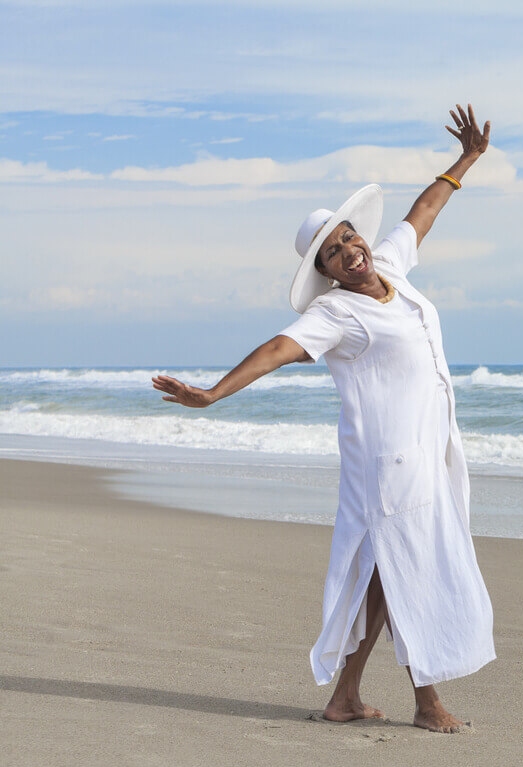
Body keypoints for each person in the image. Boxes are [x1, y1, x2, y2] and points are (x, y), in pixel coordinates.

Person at [153, 104, 495, 733]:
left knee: (386, 570)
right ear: (325, 273)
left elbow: (422, 213)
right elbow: (277, 350)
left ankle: (347, 697)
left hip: (428, 448)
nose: (348, 252)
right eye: (333, 254)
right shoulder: (335, 315)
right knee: (407, 565)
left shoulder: (390, 267)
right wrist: (213, 393)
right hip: (390, 460)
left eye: (348, 238)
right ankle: (427, 701)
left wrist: (467, 159)